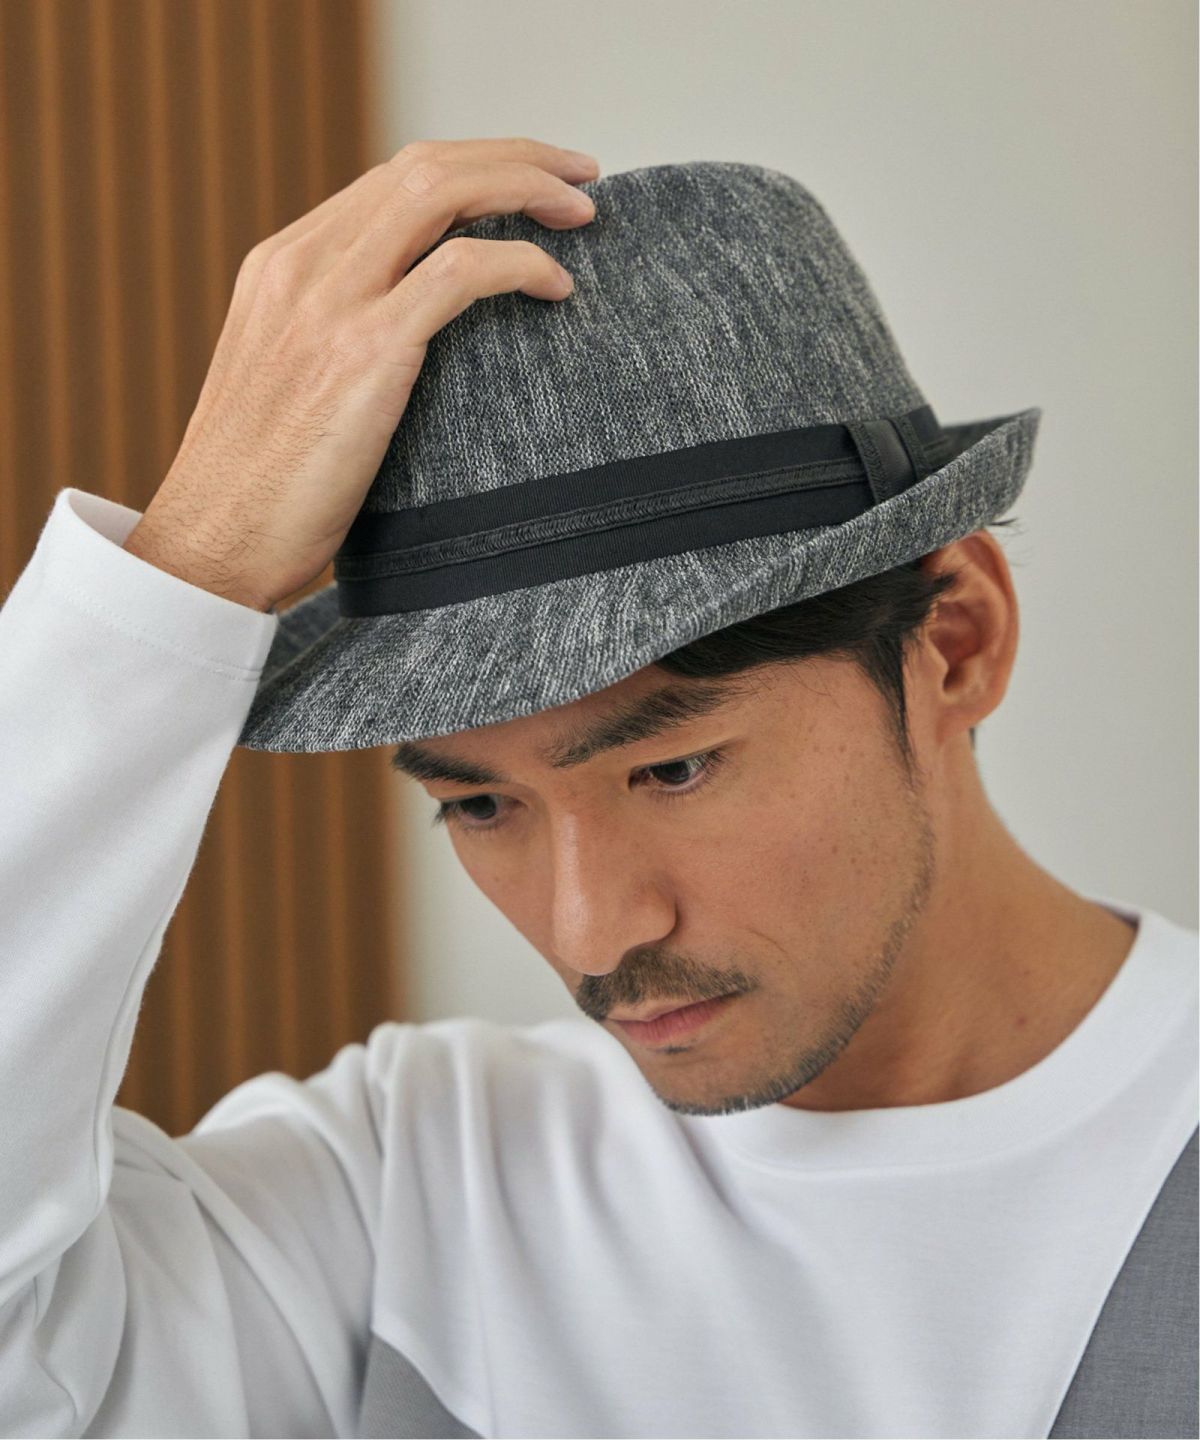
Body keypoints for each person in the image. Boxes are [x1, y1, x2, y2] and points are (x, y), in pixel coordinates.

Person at [1, 137, 1194, 1440]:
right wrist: (189, 565)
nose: (592, 935)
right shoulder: (412, 1181)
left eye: (672, 767)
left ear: (955, 642)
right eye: (481, 805)